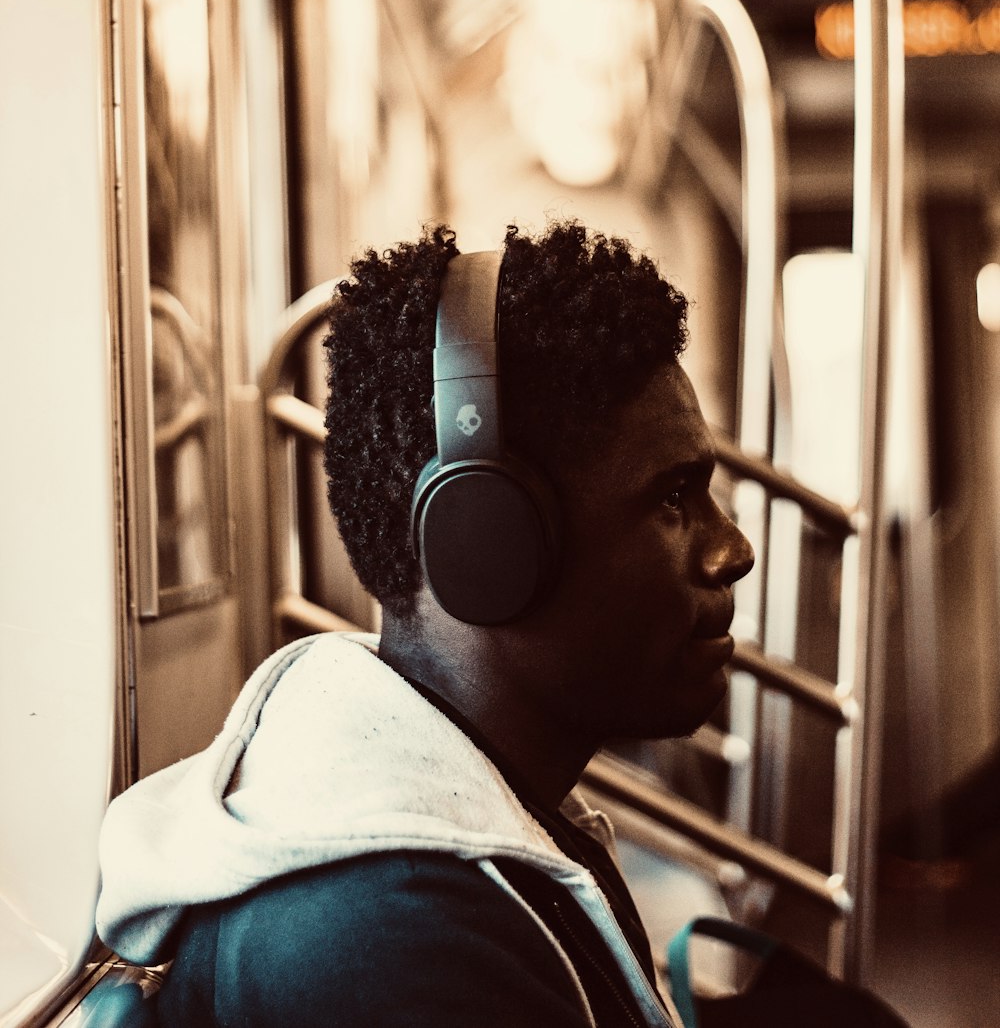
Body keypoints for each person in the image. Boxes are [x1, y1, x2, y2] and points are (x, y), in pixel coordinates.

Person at [97, 220, 754, 1027]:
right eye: (673, 497)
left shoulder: (478, 842)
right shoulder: (391, 947)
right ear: (487, 543)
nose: (733, 549)